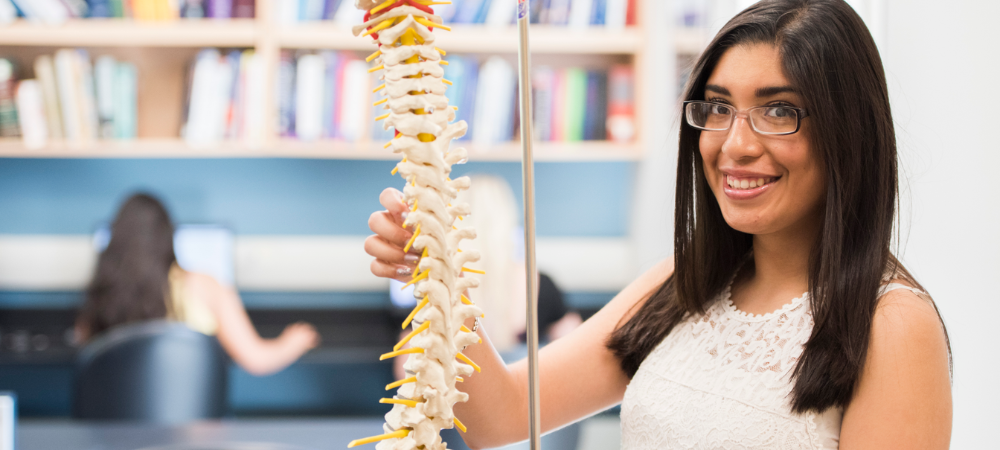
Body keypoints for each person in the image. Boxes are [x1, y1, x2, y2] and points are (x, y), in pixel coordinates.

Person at [366, 1, 954, 448]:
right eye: (718, 107)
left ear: (848, 131)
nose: (734, 144)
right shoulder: (685, 281)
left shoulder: (891, 325)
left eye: (779, 110)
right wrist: (438, 273)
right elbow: (503, 416)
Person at [77, 193, 320, 376]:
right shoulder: (205, 286)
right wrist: (292, 342)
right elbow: (256, 359)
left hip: (112, 435)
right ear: (168, 236)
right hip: (194, 437)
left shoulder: (102, 292)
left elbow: (84, 348)